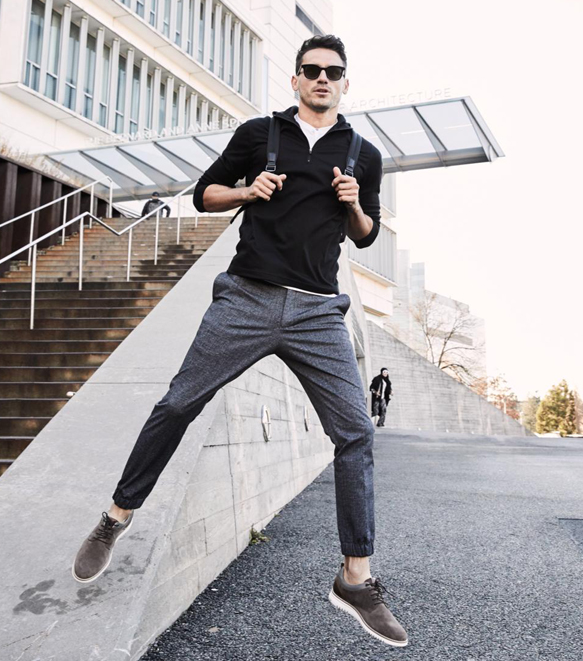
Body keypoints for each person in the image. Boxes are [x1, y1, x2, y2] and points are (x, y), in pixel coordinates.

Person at [72, 35, 408, 648]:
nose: (322, 79)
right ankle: (115, 516)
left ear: (345, 83)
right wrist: (247, 192)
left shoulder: (363, 153)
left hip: (317, 312)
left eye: (333, 72)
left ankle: (355, 579)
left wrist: (355, 204)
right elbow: (204, 194)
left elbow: (364, 235)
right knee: (177, 402)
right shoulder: (260, 134)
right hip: (246, 298)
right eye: (311, 70)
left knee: (356, 433)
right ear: (295, 79)